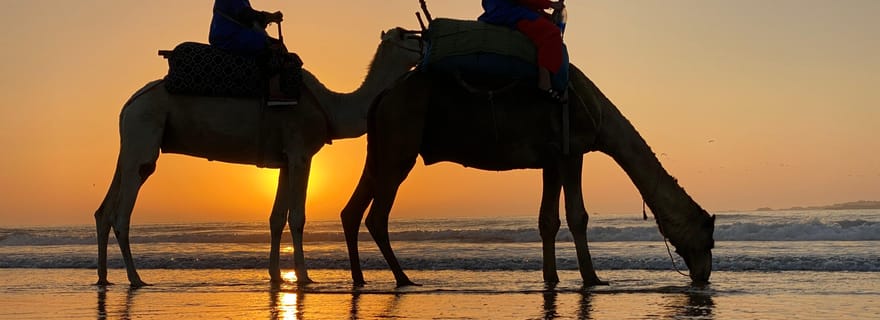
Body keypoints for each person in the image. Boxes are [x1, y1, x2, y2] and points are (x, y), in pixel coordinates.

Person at [210, 0, 299, 101]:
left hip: (232, 33)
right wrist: (269, 17)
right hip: (229, 35)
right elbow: (245, 14)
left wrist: (268, 17)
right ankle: (274, 92)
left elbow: (249, 18)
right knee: (271, 48)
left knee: (274, 44)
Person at [479, 0, 566, 102]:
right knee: (551, 33)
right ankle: (545, 85)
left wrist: (546, 13)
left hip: (513, 9)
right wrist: (551, 4)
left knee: (549, 22)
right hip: (507, 12)